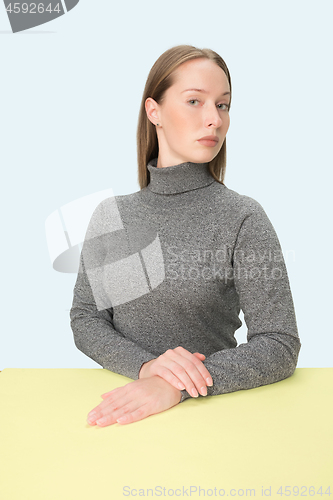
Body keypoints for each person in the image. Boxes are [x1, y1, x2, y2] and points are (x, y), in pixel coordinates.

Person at [70, 44, 301, 427]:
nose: (214, 119)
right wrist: (146, 368)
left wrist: (177, 386)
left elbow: (279, 343)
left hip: (211, 421)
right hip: (117, 410)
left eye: (223, 105)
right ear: (154, 111)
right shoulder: (112, 215)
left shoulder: (242, 217)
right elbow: (86, 318)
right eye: (195, 101)